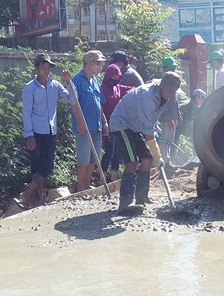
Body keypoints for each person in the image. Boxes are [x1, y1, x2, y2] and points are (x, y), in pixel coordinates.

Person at [109, 72, 182, 214]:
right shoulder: (148, 96)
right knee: (132, 161)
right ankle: (125, 204)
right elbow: (148, 133)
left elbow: (149, 122)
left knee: (147, 160)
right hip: (122, 124)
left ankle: (141, 198)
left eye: (173, 92)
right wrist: (158, 155)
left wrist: (153, 155)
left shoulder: (162, 97)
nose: (171, 95)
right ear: (162, 86)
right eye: (170, 91)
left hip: (135, 126)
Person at [20, 53, 86, 208]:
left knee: (48, 165)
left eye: (48, 68)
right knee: (36, 165)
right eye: (43, 68)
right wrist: (28, 134)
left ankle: (27, 193)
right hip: (35, 132)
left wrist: (69, 82)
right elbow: (27, 112)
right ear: (36, 69)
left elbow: (72, 98)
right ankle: (39, 197)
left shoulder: (55, 85)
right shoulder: (30, 88)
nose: (46, 71)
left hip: (51, 131)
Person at [71, 50, 109, 193]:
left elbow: (100, 105)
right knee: (83, 159)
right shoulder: (76, 80)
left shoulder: (96, 82)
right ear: (89, 63)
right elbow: (73, 104)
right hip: (83, 127)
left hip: (96, 126)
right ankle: (80, 186)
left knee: (94, 159)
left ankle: (87, 184)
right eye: (98, 63)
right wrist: (80, 122)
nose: (100, 67)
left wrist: (104, 121)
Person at [100, 63, 134, 182]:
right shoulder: (102, 88)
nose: (116, 80)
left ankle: (114, 179)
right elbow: (100, 107)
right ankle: (102, 179)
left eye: (118, 77)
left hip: (117, 125)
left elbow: (132, 89)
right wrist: (104, 123)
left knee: (117, 153)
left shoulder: (118, 87)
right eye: (113, 77)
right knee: (109, 151)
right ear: (108, 76)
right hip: (106, 125)